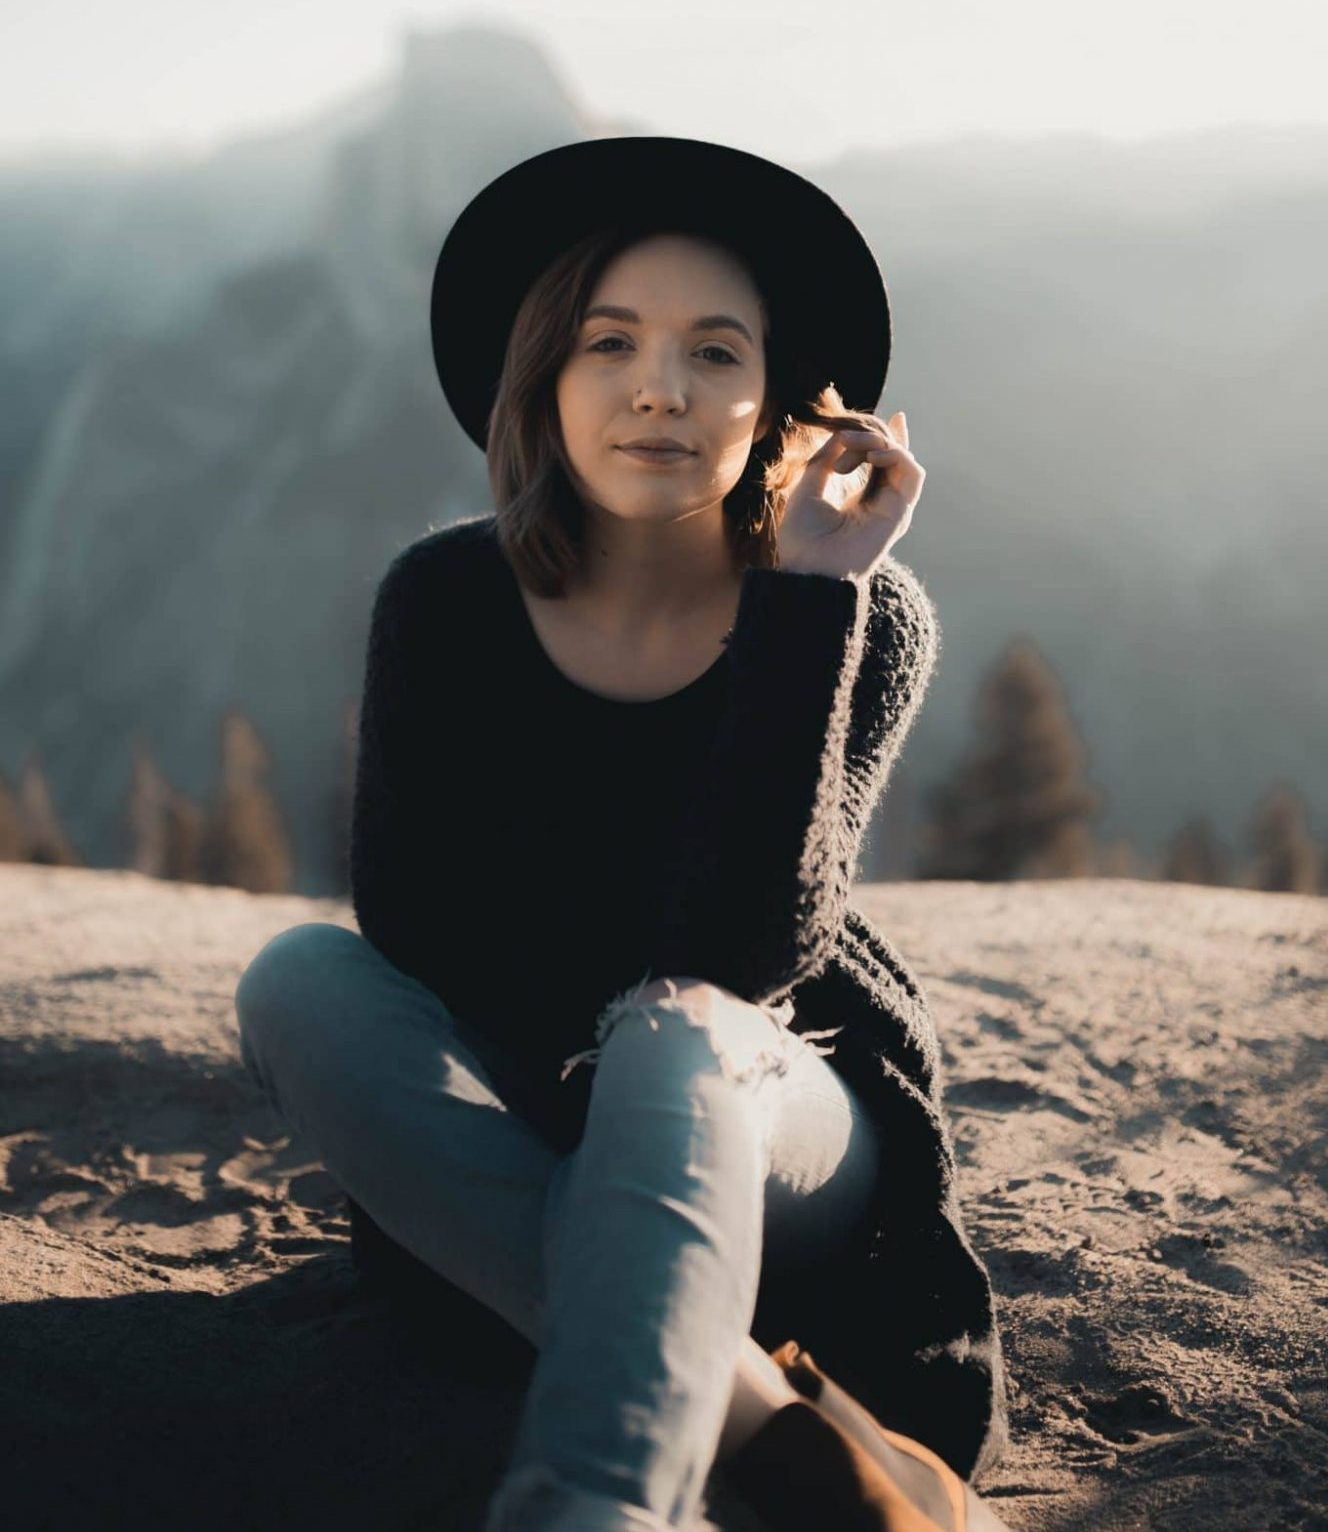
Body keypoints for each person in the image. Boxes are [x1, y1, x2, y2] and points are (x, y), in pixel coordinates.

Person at [234, 137, 1009, 1532]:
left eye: (717, 352)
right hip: (533, 1098)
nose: (661, 387)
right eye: (611, 343)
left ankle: (591, 1506)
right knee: (296, 980)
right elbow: (415, 928)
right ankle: (774, 1432)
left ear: (780, 399)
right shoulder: (445, 604)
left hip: (775, 1120)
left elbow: (750, 956)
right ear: (547, 375)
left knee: (683, 1025)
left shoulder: (855, 617)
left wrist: (807, 606)